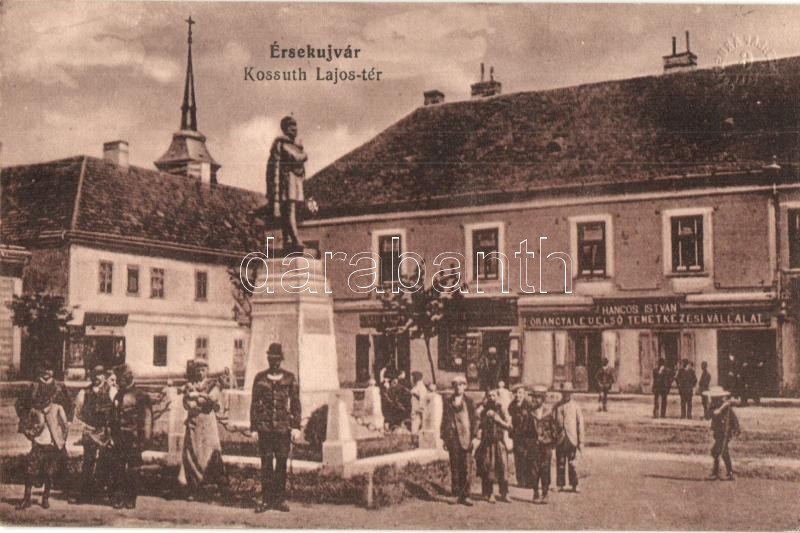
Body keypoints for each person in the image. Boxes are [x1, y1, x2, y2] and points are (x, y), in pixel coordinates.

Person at [250, 343, 301, 513]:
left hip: (282, 428)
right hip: (265, 428)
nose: (274, 363)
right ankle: (266, 499)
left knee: (281, 463)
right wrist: (254, 427)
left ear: (281, 360)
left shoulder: (289, 378)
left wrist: (296, 427)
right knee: (266, 463)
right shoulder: (260, 378)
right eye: (271, 359)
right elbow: (254, 405)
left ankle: (279, 499)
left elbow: (295, 404)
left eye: (277, 359)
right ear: (268, 359)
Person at [179, 359, 228, 498]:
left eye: (203, 370)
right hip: (194, 423)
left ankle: (218, 486)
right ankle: (193, 488)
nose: (200, 373)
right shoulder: (190, 385)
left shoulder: (213, 385)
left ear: (207, 371)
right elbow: (187, 404)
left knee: (212, 453)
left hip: (208, 424)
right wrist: (192, 400)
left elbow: (212, 399)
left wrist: (198, 396)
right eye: (198, 370)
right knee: (192, 454)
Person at [15, 385, 69, 510]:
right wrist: (31, 435)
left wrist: (60, 440)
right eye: (41, 398)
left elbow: (65, 426)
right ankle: (26, 498)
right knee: (30, 472)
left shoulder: (57, 408)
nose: (44, 400)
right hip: (38, 446)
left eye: (46, 398)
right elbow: (25, 425)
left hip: (51, 446)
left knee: (48, 473)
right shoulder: (34, 411)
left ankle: (45, 498)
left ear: (51, 398)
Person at [108, 364, 153, 509]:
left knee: (133, 470)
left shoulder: (140, 395)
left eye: (120, 379)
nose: (117, 382)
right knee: (118, 468)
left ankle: (131, 498)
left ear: (128, 378)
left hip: (134, 439)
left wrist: (144, 440)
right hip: (118, 438)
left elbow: (147, 420)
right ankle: (118, 497)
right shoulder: (117, 395)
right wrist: (111, 436)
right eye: (118, 379)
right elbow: (112, 417)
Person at [71, 365, 113, 504]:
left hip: (104, 430)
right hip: (89, 429)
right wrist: (86, 424)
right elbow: (78, 412)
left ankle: (102, 492)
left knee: (104, 460)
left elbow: (115, 410)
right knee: (88, 461)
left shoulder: (111, 390)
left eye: (100, 374)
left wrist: (109, 427)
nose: (97, 377)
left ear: (104, 376)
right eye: (95, 374)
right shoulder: (84, 392)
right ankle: (85, 493)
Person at [266, 115, 309, 250]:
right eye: (291, 127)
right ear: (285, 129)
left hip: (295, 180)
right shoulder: (281, 144)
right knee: (289, 211)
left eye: (295, 126)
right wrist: (275, 190)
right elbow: (277, 166)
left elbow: (301, 163)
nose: (294, 129)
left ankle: (288, 240)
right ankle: (295, 239)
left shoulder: (296, 146)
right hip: (287, 181)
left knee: (291, 211)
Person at [440, 376, 476, 506]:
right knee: (455, 466)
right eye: (456, 385)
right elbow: (444, 419)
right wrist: (444, 436)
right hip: (453, 438)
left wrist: (475, 437)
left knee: (466, 466)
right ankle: (455, 494)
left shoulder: (469, 401)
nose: (458, 387)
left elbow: (474, 420)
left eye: (461, 385)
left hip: (466, 437)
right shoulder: (448, 401)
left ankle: (466, 495)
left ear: (465, 386)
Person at [475, 389, 511, 503]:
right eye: (489, 395)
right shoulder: (483, 410)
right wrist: (484, 418)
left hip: (499, 442)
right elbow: (477, 426)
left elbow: (509, 426)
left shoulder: (502, 409)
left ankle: (505, 493)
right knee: (489, 467)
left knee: (503, 467)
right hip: (487, 443)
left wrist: (498, 419)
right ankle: (489, 493)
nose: (491, 398)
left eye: (494, 395)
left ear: (498, 397)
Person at [703, 386, 740, 481]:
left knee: (718, 451)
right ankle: (727, 473)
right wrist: (711, 409)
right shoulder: (714, 407)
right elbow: (707, 416)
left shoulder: (726, 408)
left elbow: (733, 419)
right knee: (721, 452)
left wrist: (736, 429)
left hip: (725, 433)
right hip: (718, 433)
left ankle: (719, 472)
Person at [554, 382, 584, 494]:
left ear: (571, 394)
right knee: (560, 462)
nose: (566, 395)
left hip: (572, 439)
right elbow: (552, 422)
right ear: (561, 393)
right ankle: (560, 484)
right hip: (560, 438)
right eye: (564, 393)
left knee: (573, 463)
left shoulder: (575, 406)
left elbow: (580, 425)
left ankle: (575, 484)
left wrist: (581, 442)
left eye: (568, 393)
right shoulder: (557, 406)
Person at [530, 385, 556, 504]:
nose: (534, 400)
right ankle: (535, 492)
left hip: (546, 444)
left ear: (543, 399)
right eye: (533, 398)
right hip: (534, 444)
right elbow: (526, 429)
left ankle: (545, 493)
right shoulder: (530, 412)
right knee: (534, 469)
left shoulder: (549, 412)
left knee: (545, 469)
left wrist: (552, 443)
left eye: (537, 398)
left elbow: (554, 428)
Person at [508, 384, 536, 489]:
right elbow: (510, 418)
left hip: (528, 435)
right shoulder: (512, 406)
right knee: (518, 457)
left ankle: (530, 481)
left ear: (524, 394)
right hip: (517, 436)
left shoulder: (529, 405)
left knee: (529, 457)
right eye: (515, 393)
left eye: (520, 393)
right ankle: (520, 480)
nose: (517, 395)